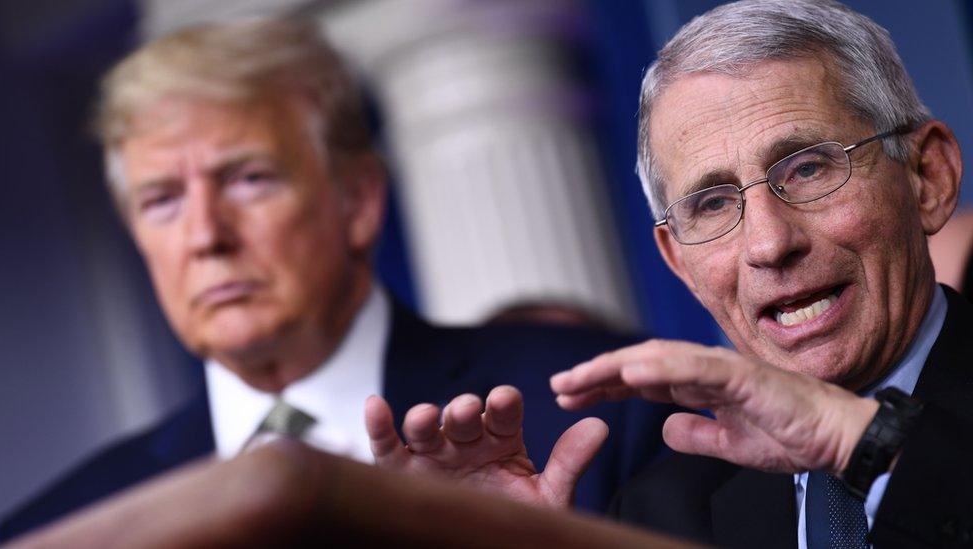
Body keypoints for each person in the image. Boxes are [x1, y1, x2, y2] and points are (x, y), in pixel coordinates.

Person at [0, 19, 672, 542]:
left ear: (358, 200)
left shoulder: (598, 407)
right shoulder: (74, 525)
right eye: (162, 200)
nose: (206, 236)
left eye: (248, 179)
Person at [364, 1, 973, 547]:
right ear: (678, 261)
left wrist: (865, 446)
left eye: (809, 169)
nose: (768, 242)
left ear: (928, 178)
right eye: (712, 204)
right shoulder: (662, 513)